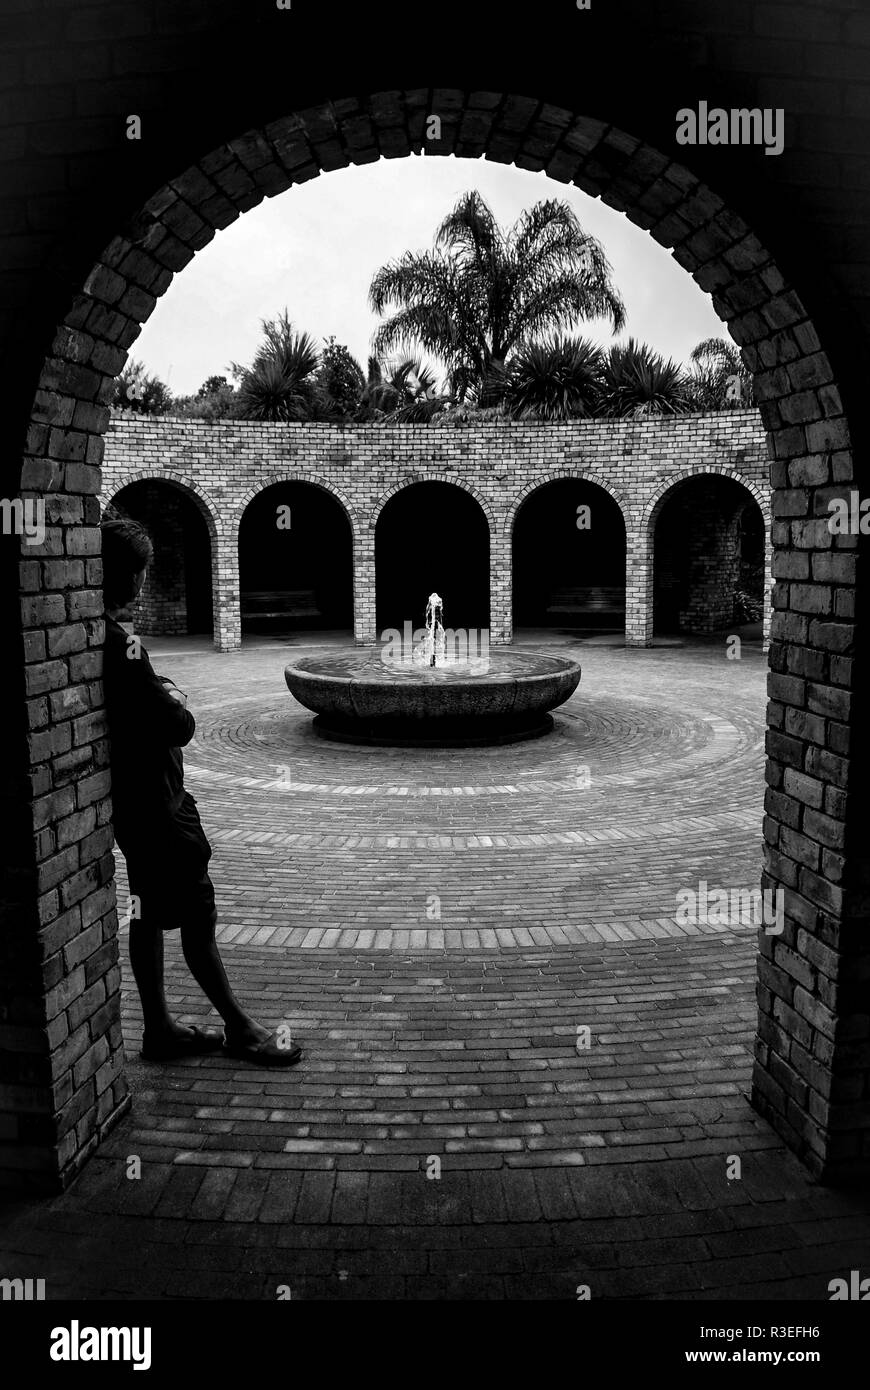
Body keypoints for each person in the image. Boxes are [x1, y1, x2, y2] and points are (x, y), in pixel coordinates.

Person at [100, 516, 302, 1066]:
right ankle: (239, 1027)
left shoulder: (91, 633)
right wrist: (172, 699)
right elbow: (179, 725)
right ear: (130, 577)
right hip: (162, 806)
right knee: (197, 913)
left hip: (131, 807)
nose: (142, 581)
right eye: (139, 571)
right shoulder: (122, 644)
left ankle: (160, 1028)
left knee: (145, 912)